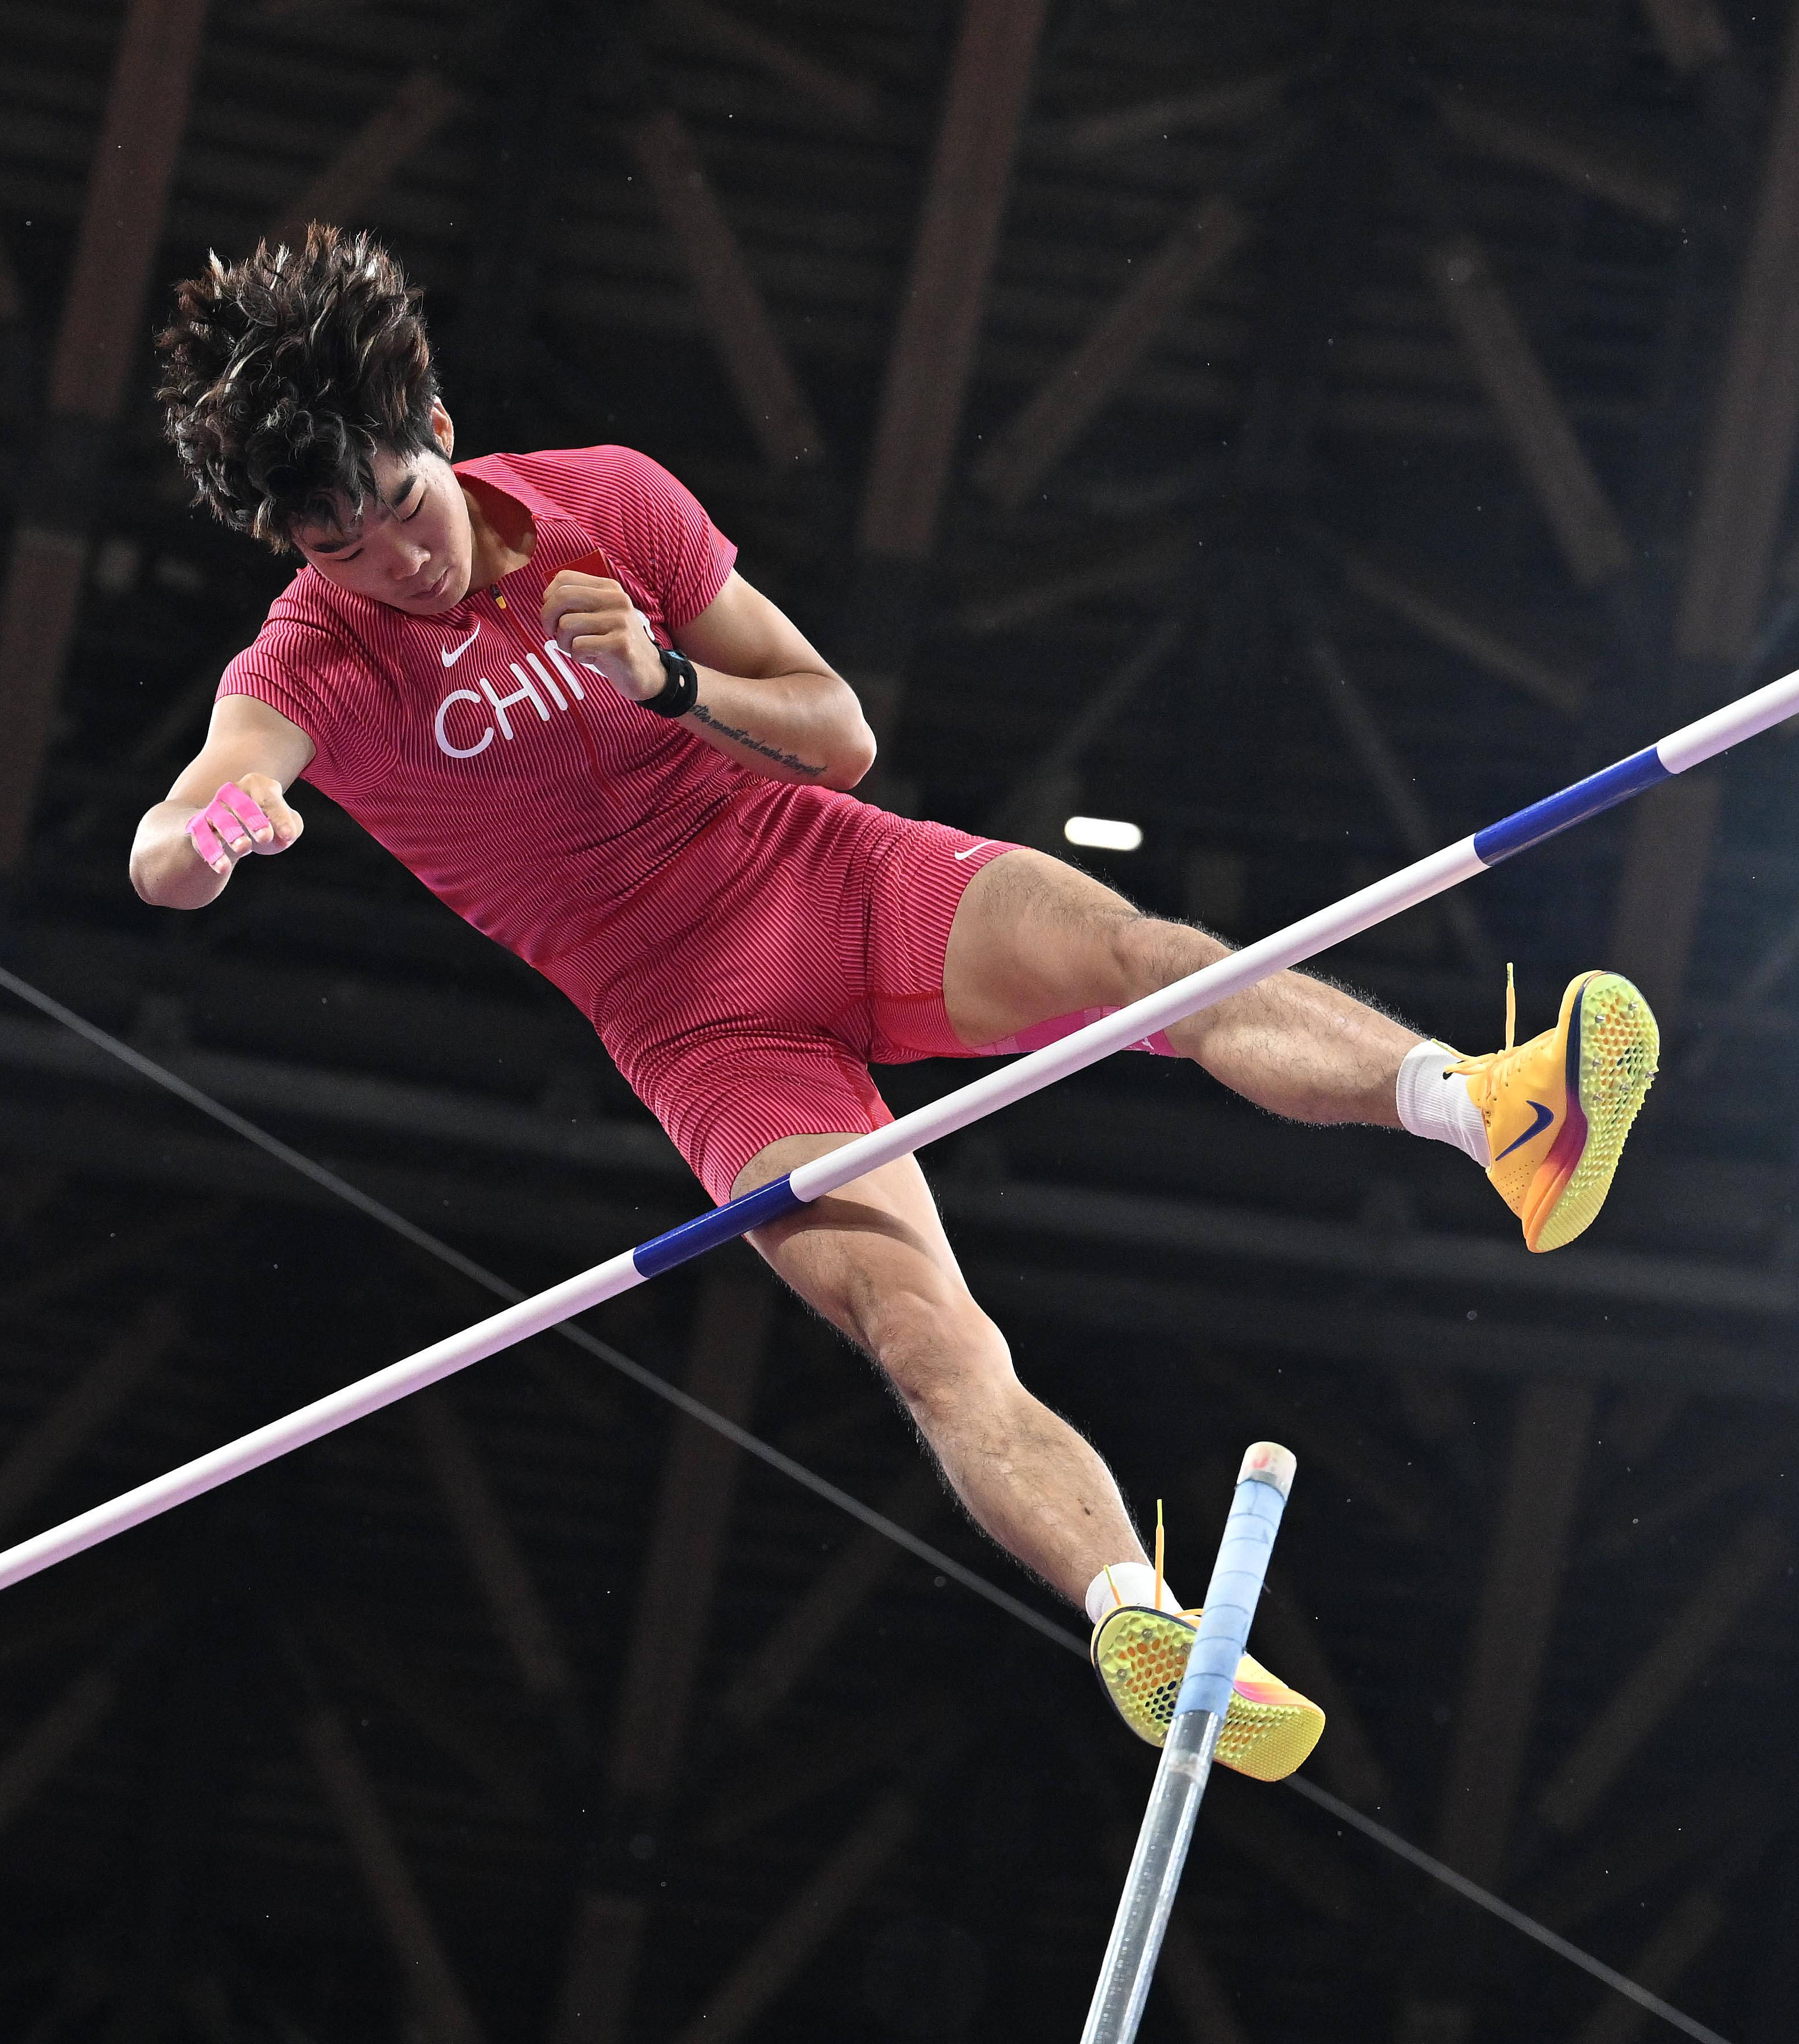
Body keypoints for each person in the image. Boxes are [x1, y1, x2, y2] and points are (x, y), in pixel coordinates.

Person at [134, 227, 1658, 1782]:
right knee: (924, 1334)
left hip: (827, 877)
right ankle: (1139, 1621)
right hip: (696, 1034)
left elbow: (838, 733)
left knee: (1145, 965)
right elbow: (175, 836)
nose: (400, 563)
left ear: (438, 428)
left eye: (400, 508)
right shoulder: (308, 662)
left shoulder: (612, 501)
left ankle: (1493, 1114)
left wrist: (670, 686)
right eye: (342, 547)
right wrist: (215, 836)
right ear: (291, 554)